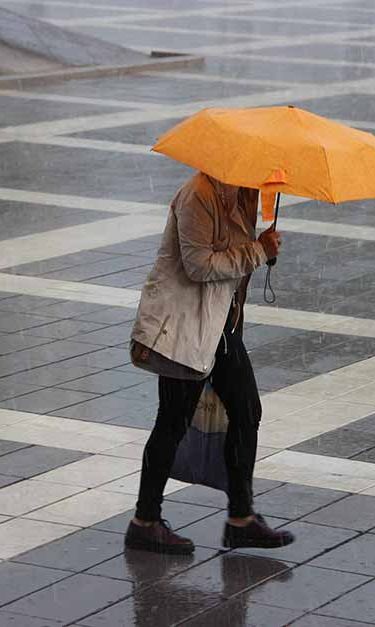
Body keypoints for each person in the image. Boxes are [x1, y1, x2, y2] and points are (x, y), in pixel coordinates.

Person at [125, 171, 295, 555]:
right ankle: (145, 521)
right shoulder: (197, 195)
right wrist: (257, 251)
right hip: (184, 326)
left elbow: (233, 267)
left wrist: (261, 249)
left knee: (247, 410)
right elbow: (198, 265)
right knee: (172, 421)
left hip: (219, 327)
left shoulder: (243, 194)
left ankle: (240, 519)